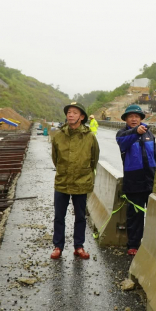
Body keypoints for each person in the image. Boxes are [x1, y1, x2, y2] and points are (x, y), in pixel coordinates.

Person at [50, 102, 99, 260]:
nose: (70, 115)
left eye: (74, 112)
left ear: (82, 117)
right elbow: (55, 158)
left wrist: (83, 173)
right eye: (69, 112)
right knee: (59, 216)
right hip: (62, 181)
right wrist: (64, 170)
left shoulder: (89, 137)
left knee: (80, 217)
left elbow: (94, 159)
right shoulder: (59, 136)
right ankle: (58, 246)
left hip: (81, 182)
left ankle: (79, 246)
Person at [116, 104, 156, 256]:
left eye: (136, 116)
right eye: (130, 116)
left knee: (154, 216)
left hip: (150, 180)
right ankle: (133, 244)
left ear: (141, 118)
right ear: (126, 119)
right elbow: (123, 143)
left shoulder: (149, 134)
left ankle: (152, 246)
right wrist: (135, 131)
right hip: (133, 182)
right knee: (135, 216)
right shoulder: (122, 134)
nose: (134, 119)